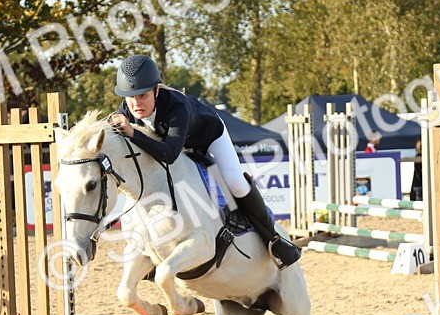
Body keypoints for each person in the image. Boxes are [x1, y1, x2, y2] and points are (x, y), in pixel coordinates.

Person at [106, 54, 300, 267]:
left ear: (156, 91)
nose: (136, 103)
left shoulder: (176, 107)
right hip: (175, 147)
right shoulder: (127, 110)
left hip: (208, 138)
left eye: (143, 95)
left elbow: (170, 154)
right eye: (130, 97)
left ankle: (273, 238)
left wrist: (133, 133)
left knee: (234, 180)